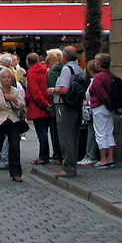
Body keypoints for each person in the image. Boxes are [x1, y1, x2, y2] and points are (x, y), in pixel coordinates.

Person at [0, 68, 26, 182]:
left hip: (13, 120)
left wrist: (13, 99)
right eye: (4, 77)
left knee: (14, 147)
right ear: (0, 79)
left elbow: (22, 105)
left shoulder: (15, 91)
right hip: (1, 120)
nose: (6, 80)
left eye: (8, 77)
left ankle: (16, 172)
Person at [49, 46, 85, 179]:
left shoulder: (66, 69)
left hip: (65, 106)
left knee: (66, 137)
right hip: (75, 105)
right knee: (74, 136)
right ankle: (72, 164)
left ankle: (69, 167)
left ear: (64, 57)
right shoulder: (79, 69)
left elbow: (64, 89)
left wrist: (53, 90)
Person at [87, 53, 116, 168]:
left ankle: (103, 159)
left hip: (99, 107)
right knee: (109, 132)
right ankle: (111, 158)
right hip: (108, 108)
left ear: (99, 63)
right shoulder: (110, 75)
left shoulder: (98, 77)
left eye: (96, 61)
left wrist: (106, 104)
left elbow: (101, 94)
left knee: (100, 133)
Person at [24, 52, 52, 165]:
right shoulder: (45, 70)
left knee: (42, 133)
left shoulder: (31, 73)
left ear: (27, 62)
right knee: (45, 132)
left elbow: (35, 93)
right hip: (47, 104)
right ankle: (48, 154)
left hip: (38, 107)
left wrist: (44, 105)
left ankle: (43, 156)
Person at [44, 49, 64, 164]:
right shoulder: (66, 69)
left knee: (55, 132)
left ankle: (58, 154)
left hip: (56, 105)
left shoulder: (52, 73)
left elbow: (50, 89)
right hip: (65, 105)